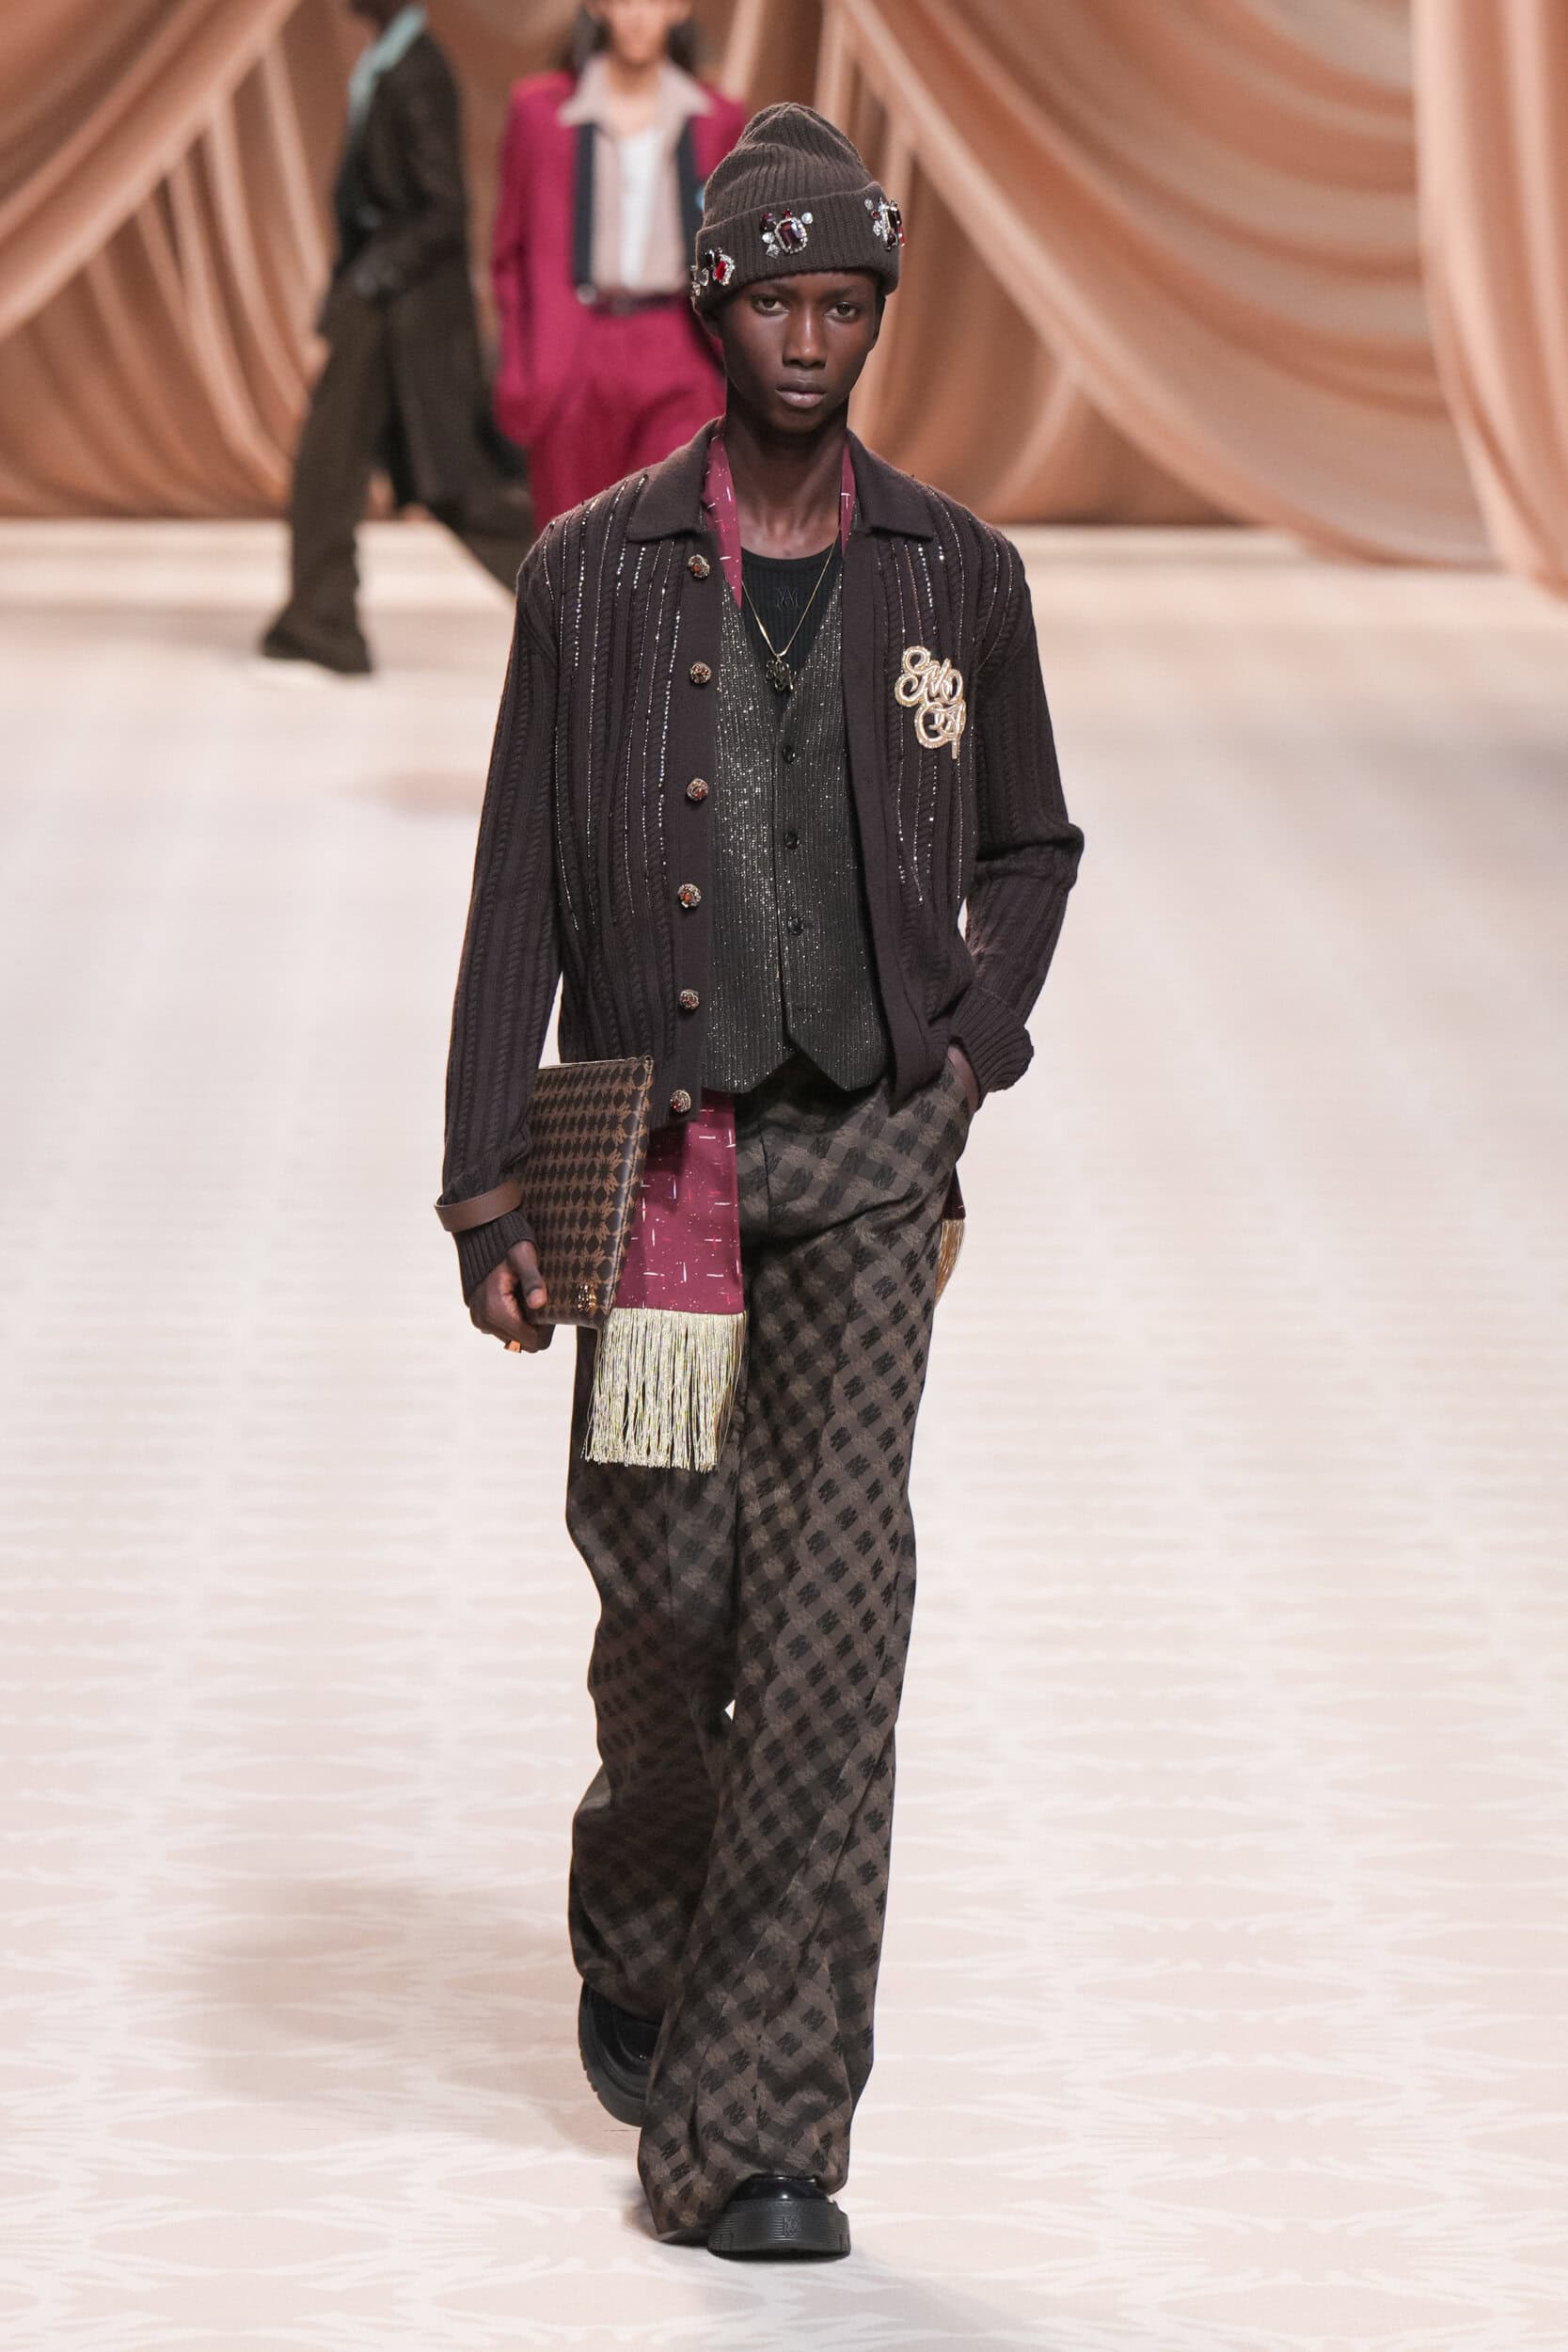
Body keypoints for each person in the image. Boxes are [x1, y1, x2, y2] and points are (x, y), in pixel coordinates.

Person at [436, 105, 1084, 2259]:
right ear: (710, 309)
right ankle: (642, 1894)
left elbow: (1030, 845)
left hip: (873, 1168)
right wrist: (482, 1186)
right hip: (650, 1178)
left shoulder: (955, 576)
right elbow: (516, 889)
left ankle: (755, 2127)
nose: (809, 339)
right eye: (775, 300)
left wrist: (965, 1053)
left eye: (844, 304)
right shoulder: (590, 577)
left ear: (874, 317)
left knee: (828, 1623)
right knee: (667, 1592)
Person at [261, 1, 531, 676]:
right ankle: (320, 622)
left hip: (403, 312)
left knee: (444, 482)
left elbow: (443, 209)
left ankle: (597, 614)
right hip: (386, 302)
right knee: (353, 469)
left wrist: (370, 281)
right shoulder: (392, 60)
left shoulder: (418, 68)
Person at [490, 2, 746, 530]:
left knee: (672, 538)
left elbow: (735, 249)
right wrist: (522, 361)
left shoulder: (717, 119)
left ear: (679, 7)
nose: (638, 14)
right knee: (571, 545)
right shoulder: (539, 112)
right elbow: (508, 254)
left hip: (678, 345)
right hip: (574, 347)